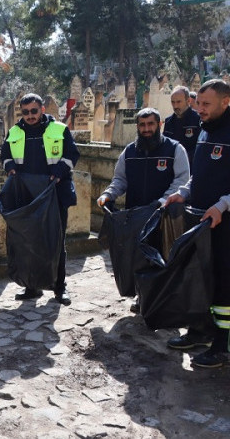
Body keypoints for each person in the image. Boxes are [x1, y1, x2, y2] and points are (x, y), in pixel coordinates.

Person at [97, 108, 190, 312]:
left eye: (151, 124)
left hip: (165, 215)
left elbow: (182, 181)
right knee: (138, 258)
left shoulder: (175, 150)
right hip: (136, 216)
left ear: (159, 125)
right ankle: (142, 297)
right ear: (137, 127)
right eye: (142, 125)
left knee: (164, 257)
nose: (146, 129)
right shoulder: (129, 152)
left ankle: (163, 299)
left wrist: (162, 201)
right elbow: (120, 180)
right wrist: (107, 195)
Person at [165, 79, 230, 368]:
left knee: (223, 284)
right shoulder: (205, 130)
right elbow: (199, 174)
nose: (198, 108)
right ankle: (200, 331)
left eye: (206, 104)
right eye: (198, 103)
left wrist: (223, 204)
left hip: (224, 221)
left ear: (226, 102)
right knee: (201, 277)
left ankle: (222, 345)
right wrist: (183, 192)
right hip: (200, 218)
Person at [0, 93, 80, 306]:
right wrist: (10, 167)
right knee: (28, 243)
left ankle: (60, 287)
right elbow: (5, 156)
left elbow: (72, 155)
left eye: (34, 111)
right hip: (27, 197)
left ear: (42, 110)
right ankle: (32, 286)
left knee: (56, 242)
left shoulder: (60, 130)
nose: (30, 115)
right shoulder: (14, 132)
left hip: (55, 195)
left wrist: (60, 169)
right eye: (25, 112)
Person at [164, 85, 202, 165]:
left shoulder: (198, 120)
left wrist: (183, 158)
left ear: (188, 101)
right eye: (173, 102)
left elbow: (200, 147)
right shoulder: (169, 122)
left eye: (178, 102)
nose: (175, 106)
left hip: (191, 166)